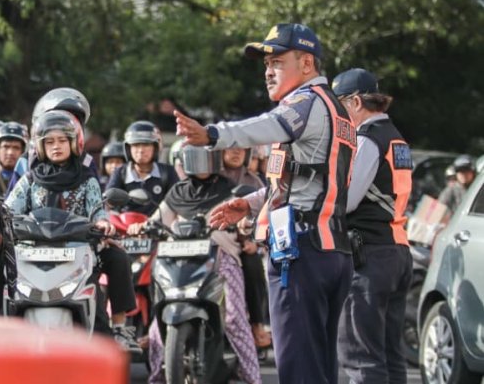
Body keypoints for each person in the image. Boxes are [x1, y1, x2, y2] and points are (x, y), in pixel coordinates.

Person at [177, 23, 356, 384]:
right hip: (330, 249)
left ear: (306, 64)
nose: (268, 72)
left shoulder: (304, 103)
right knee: (318, 366)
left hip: (302, 250)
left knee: (297, 367)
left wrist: (213, 134)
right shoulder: (336, 110)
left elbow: (266, 126)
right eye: (265, 64)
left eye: (277, 61)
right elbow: (311, 181)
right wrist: (252, 203)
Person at [4, 110, 141, 354]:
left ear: (73, 143)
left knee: (119, 257)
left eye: (61, 140)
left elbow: (97, 210)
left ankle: (120, 328)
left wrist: (103, 224)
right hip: (32, 252)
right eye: (49, 142)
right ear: (41, 146)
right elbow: (8, 209)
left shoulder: (87, 180)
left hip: (79, 250)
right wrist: (0, 220)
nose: (56, 146)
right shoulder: (29, 180)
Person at [129, 145, 262, 384]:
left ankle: (252, 376)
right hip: (177, 260)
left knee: (234, 318)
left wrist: (245, 227)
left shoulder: (229, 190)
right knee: (158, 322)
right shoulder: (177, 192)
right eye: (194, 157)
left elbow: (244, 220)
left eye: (205, 157)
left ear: (214, 159)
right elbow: (159, 219)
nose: (200, 163)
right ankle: (158, 375)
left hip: (221, 256)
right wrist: (141, 227)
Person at [330, 68, 413, 384]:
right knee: (391, 358)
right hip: (397, 250)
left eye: (339, 106)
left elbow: (347, 200)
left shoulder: (367, 140)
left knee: (361, 358)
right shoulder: (397, 139)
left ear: (354, 102)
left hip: (370, 255)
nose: (338, 115)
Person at [220, 147, 271, 350]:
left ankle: (257, 325)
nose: (236, 153)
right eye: (231, 149)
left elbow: (266, 213)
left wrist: (254, 241)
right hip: (215, 243)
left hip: (244, 244)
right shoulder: (212, 177)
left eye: (242, 150)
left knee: (253, 264)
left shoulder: (255, 182)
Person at [7, 87, 99, 192]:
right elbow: (10, 203)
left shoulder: (86, 161)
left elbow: (96, 202)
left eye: (71, 122)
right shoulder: (26, 161)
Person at [106, 120, 179, 215]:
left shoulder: (168, 172)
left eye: (146, 144)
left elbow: (177, 202)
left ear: (155, 148)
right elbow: (108, 201)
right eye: (136, 145)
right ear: (128, 148)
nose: (140, 150)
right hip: (125, 226)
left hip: (159, 225)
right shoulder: (120, 172)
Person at [0, 121, 28, 198]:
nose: (10, 152)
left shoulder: (29, 180)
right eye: (5, 146)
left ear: (23, 151)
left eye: (16, 148)